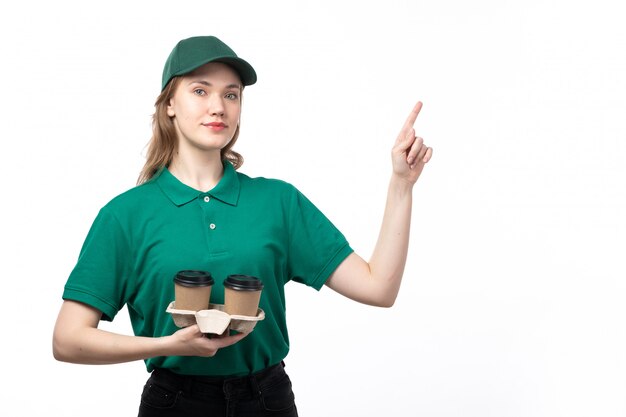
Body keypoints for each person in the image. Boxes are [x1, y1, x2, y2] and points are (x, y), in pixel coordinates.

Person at [52, 35, 433, 417]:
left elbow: (379, 288)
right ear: (169, 103)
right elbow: (68, 340)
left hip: (267, 401)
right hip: (175, 404)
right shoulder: (125, 215)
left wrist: (402, 184)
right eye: (200, 90)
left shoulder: (278, 202)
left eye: (231, 95)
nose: (217, 107)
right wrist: (167, 344)